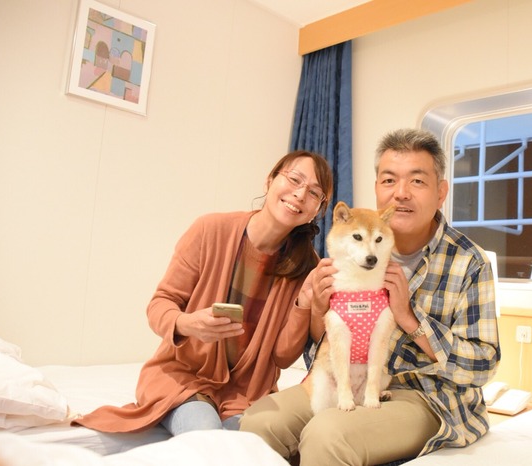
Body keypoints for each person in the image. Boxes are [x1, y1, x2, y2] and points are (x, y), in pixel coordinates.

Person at [240, 129, 501, 465]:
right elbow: (325, 346)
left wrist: (409, 318)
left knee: (327, 436)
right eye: (389, 180)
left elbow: (483, 365)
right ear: (377, 187)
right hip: (346, 378)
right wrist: (318, 310)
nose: (401, 193)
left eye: (417, 181)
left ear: (441, 192)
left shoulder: (468, 262)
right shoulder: (347, 252)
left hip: (427, 395)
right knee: (258, 423)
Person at [73, 150, 333, 435]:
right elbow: (160, 304)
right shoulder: (210, 230)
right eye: (294, 179)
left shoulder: (307, 265)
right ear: (270, 180)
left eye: (314, 193)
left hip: (247, 393)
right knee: (206, 433)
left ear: (317, 210)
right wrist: (188, 324)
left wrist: (303, 303)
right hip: (183, 378)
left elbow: (282, 357)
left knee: (253, 443)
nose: (300, 194)